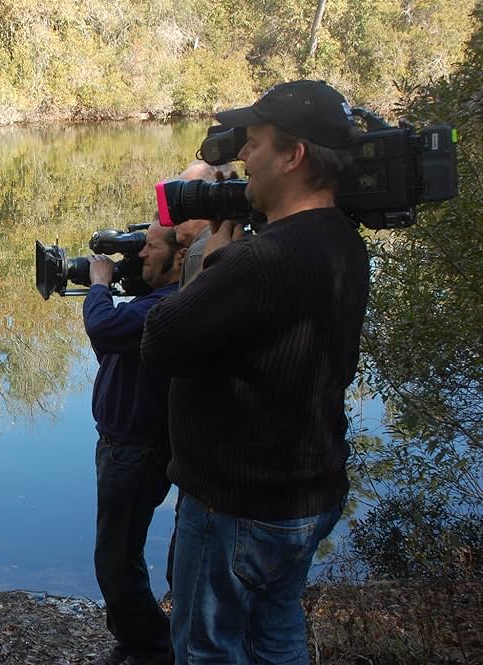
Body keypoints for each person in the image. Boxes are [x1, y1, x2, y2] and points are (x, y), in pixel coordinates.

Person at [140, 80, 369, 664]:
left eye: (256, 142)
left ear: (294, 156)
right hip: (306, 498)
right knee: (277, 636)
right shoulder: (344, 241)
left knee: (207, 649)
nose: (242, 155)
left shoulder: (259, 261)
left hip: (238, 505)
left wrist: (208, 268)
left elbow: (160, 342)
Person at [84, 223, 188, 665]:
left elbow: (103, 329)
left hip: (136, 451)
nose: (142, 255)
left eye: (151, 247)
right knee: (118, 554)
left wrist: (99, 285)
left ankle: (150, 647)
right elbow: (111, 347)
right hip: (123, 446)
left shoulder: (166, 305)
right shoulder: (153, 302)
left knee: (115, 559)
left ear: (180, 257)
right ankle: (137, 642)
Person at [171, 161, 239, 289]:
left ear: (208, 199)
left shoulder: (199, 251)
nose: (177, 207)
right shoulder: (237, 237)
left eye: (185, 196)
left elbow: (191, 301)